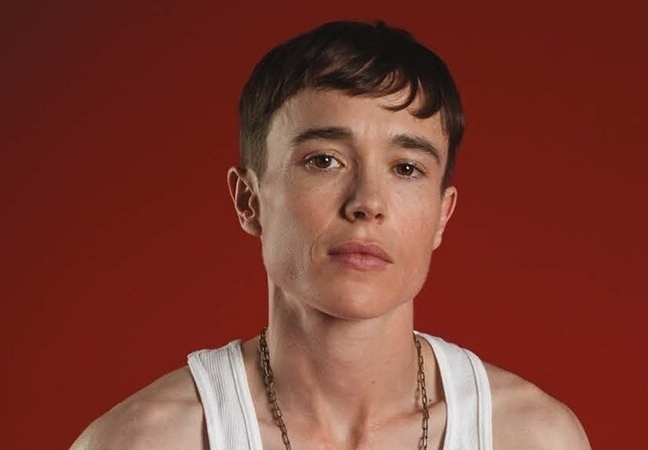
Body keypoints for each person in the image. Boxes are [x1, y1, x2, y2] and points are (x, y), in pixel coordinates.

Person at [71, 20, 591, 450]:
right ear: (249, 200)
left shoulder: (531, 438)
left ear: (441, 215)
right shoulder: (145, 441)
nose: (367, 202)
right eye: (324, 160)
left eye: (406, 168)